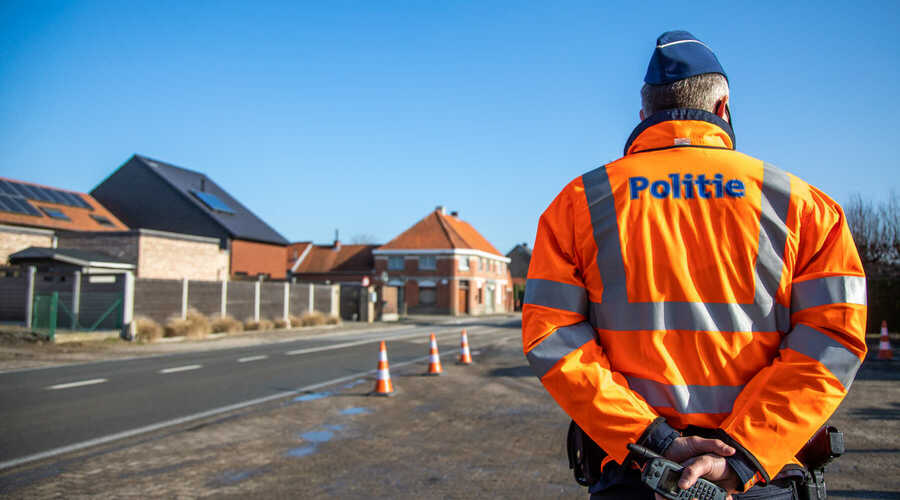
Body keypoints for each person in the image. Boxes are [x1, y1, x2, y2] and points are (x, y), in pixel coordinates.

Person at [521, 30, 867, 499]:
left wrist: (653, 441)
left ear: (644, 114)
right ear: (722, 107)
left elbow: (551, 335)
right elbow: (834, 340)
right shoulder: (805, 206)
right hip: (757, 479)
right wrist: (741, 452)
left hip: (640, 475)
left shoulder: (579, 203)